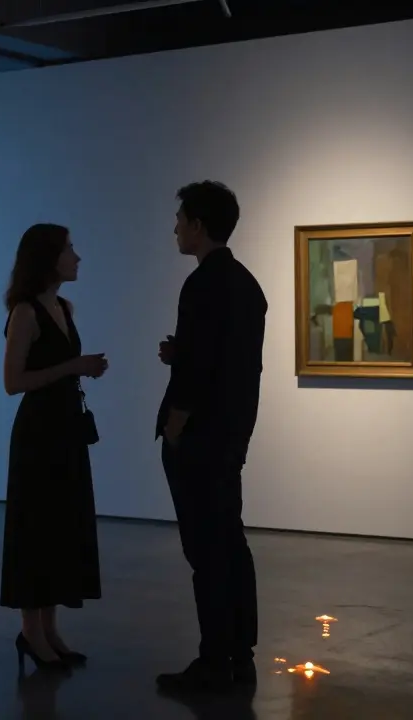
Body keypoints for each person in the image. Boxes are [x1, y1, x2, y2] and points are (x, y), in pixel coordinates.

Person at [154, 181, 267, 694]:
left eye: (181, 218)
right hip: (230, 436)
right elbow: (235, 364)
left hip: (200, 439)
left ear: (199, 225)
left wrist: (177, 424)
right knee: (231, 543)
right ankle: (240, 655)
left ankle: (212, 660)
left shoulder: (200, 285)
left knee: (206, 551)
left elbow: (202, 372)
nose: (176, 227)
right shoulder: (247, 284)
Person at [0, 223, 108, 673]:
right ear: (48, 258)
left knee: (60, 527)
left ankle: (49, 630)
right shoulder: (25, 313)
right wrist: (73, 367)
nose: (77, 257)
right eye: (69, 250)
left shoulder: (63, 306)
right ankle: (31, 632)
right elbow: (12, 382)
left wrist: (79, 369)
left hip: (64, 430)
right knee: (36, 529)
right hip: (39, 433)